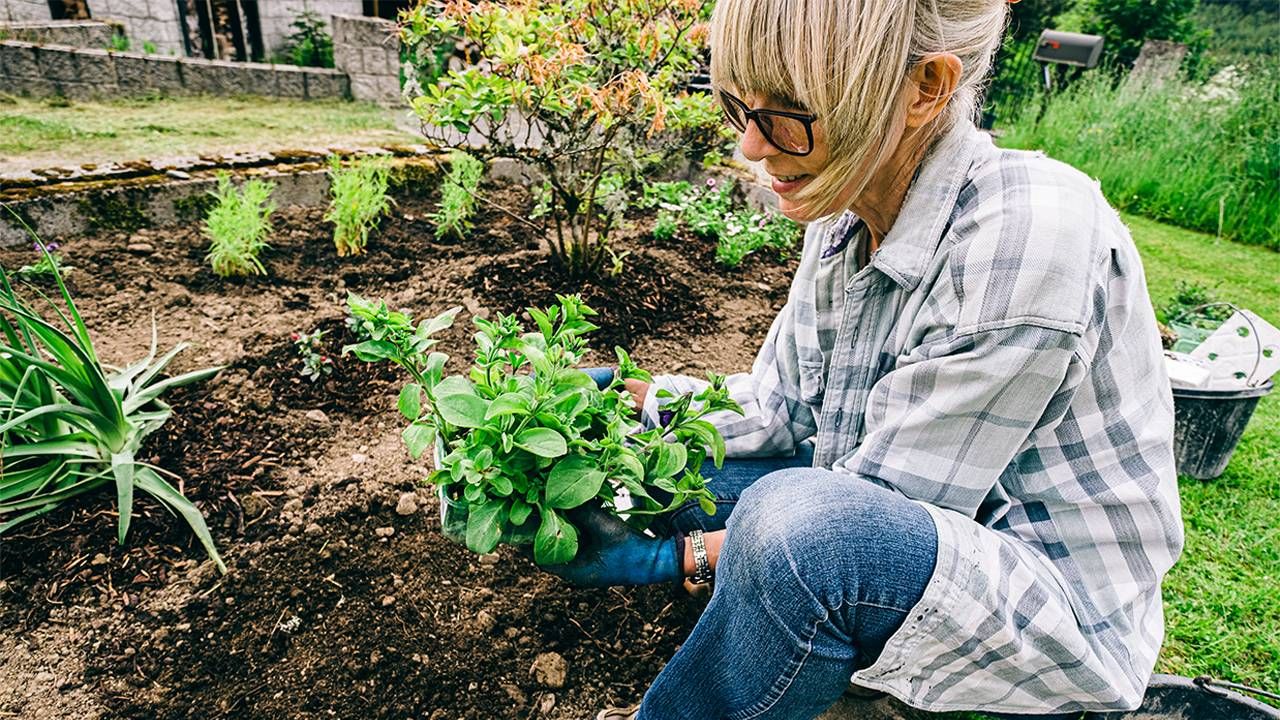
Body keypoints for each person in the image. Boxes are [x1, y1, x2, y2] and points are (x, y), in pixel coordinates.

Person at [544, 0, 1185, 718]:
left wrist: (681, 559)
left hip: (1045, 603)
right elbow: (780, 407)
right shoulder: (848, 206)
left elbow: (863, 515)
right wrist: (626, 404)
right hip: (886, 520)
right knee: (662, 465)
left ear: (926, 87)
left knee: (792, 534)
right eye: (737, 106)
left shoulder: (1025, 240)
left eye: (789, 111)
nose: (751, 149)